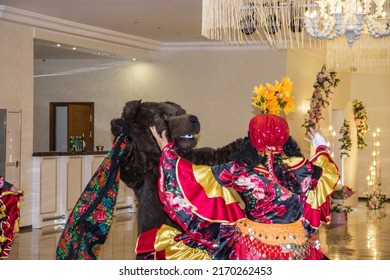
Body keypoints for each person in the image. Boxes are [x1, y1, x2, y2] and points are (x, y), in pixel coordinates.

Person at [136, 78, 340, 260]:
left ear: (251, 136)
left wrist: (168, 152)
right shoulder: (303, 166)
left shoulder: (240, 170)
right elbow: (328, 171)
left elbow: (192, 177)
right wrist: (321, 145)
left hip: (254, 248)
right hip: (297, 247)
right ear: (286, 136)